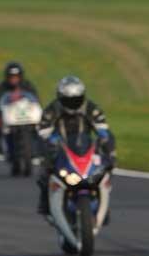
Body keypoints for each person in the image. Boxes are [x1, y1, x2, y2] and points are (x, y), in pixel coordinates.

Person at [36, 76, 115, 215]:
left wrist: (105, 142)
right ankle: (45, 203)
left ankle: (104, 203)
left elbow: (103, 129)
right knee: (45, 171)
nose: (73, 103)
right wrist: (51, 140)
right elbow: (42, 131)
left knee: (105, 169)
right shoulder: (52, 109)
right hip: (60, 150)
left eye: (76, 99)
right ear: (61, 97)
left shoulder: (91, 108)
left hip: (85, 148)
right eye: (69, 100)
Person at [0, 61, 39, 145]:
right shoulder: (1, 88)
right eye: (11, 77)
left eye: (16, 77)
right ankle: (3, 144)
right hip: (10, 118)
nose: (14, 79)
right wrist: (1, 116)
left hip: (27, 118)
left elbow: (35, 102)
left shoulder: (28, 86)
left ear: (20, 76)